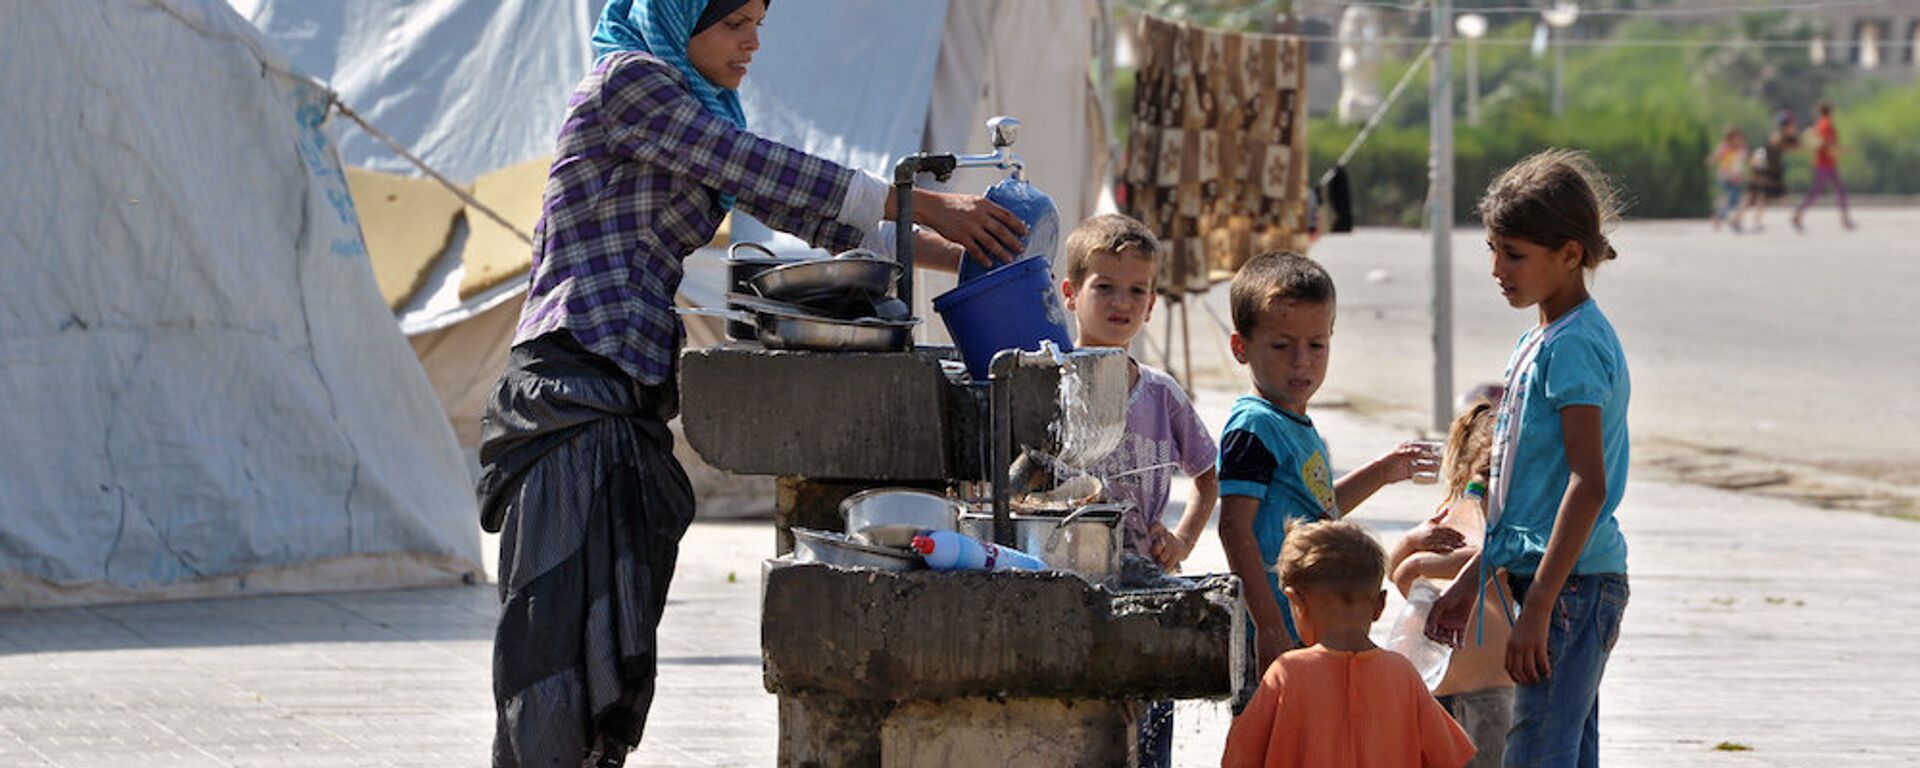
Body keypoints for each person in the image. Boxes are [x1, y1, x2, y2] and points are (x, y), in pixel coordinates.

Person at [474, 2, 1028, 766]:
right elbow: (765, 168)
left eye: (760, 22)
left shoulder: (693, 109)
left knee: (609, 646)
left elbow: (800, 205)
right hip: (571, 385)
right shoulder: (628, 85)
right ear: (679, 16)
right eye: (734, 20)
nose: (753, 41)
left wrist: (966, 252)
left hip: (624, 396)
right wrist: (928, 201)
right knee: (557, 652)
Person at [1429, 149, 1632, 768]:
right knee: (1565, 752)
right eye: (1492, 249)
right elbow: (1524, 494)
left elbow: (1587, 485)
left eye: (1514, 254)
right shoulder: (1538, 340)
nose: (1497, 269)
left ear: (1570, 254)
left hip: (1572, 589)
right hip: (1555, 584)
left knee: (1537, 754)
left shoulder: (1573, 347)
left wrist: (1540, 606)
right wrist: (1473, 579)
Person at [1216, 250, 1458, 676]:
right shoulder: (1254, 426)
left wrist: (1383, 471)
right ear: (1241, 347)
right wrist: (1268, 624)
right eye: (1281, 345)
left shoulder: (1294, 424)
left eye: (1316, 345)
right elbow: (1234, 528)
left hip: (1310, 626)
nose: (1301, 361)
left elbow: (1321, 510)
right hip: (1277, 630)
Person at [1060, 214, 1220, 767]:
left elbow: (1207, 476)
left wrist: (1183, 540)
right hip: (1071, 579)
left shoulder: (1161, 393)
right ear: (1070, 294)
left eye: (1136, 291)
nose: (1120, 303)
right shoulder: (1052, 383)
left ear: (1151, 304)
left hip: (1145, 579)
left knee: (1149, 726)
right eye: (1104, 287)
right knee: (1083, 720)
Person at [1222, 519, 1477, 768]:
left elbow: (1239, 757)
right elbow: (1448, 756)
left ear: (1296, 602)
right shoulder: (1402, 674)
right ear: (1379, 605)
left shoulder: (1287, 672)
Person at [1387, 398, 1512, 768]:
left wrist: (1424, 563)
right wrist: (1411, 542)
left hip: (1491, 692)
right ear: (1464, 472)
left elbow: (1492, 565)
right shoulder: (1445, 522)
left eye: (1507, 475)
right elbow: (1399, 576)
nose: (1495, 486)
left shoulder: (1511, 536)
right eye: (1487, 473)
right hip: (1434, 691)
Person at [1792, 100, 1858, 232]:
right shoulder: (1826, 125)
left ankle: (1845, 219)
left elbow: (1822, 145)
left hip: (1828, 164)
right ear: (1831, 111)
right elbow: (1828, 147)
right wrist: (1847, 151)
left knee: (1838, 190)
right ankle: (1798, 214)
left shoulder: (1820, 124)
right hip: (1824, 164)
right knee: (1819, 191)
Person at [1739, 110, 1798, 232]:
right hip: (1764, 170)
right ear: (1786, 125)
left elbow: (1791, 147)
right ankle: (1795, 217)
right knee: (1756, 197)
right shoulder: (1778, 137)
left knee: (1760, 197)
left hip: (1767, 170)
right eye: (1791, 125)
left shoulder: (1783, 137)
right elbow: (1781, 149)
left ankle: (1749, 219)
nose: (1793, 127)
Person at [1707, 126, 1747, 233]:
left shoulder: (1741, 148)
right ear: (1730, 139)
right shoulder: (1725, 147)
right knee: (1730, 200)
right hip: (1726, 177)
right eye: (1736, 138)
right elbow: (1716, 156)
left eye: (1740, 138)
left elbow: (1743, 160)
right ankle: (1728, 220)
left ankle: (1725, 219)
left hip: (1736, 178)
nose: (1739, 140)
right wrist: (1711, 160)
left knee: (1736, 201)